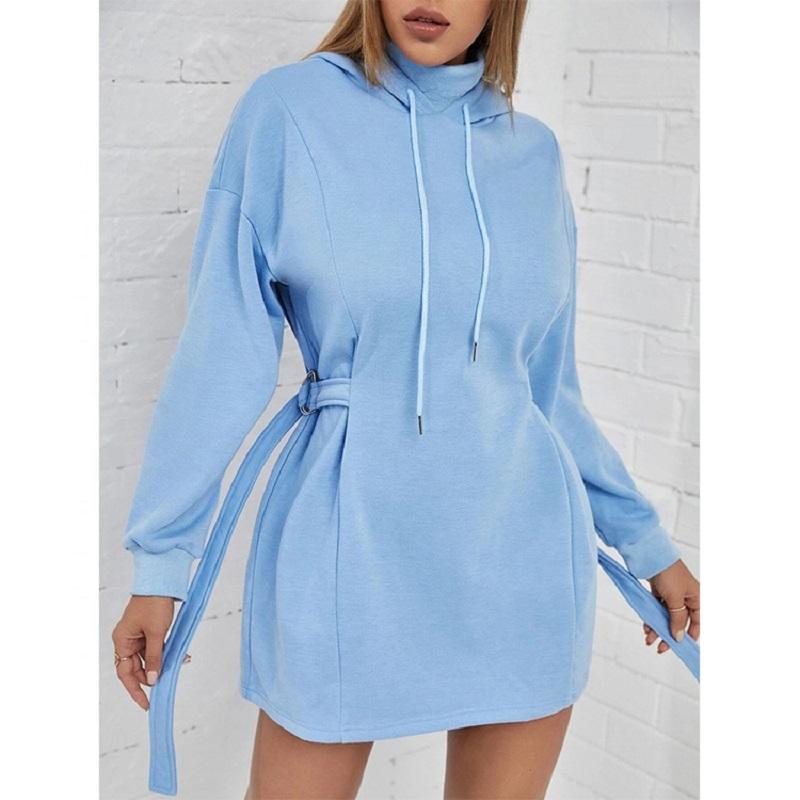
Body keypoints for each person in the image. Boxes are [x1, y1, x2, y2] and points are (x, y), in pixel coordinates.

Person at [111, 1, 701, 797]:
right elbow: (222, 355)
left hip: (522, 555)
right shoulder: (288, 112)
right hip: (347, 543)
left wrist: (648, 545)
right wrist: (161, 563)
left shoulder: (533, 152)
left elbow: (548, 392)